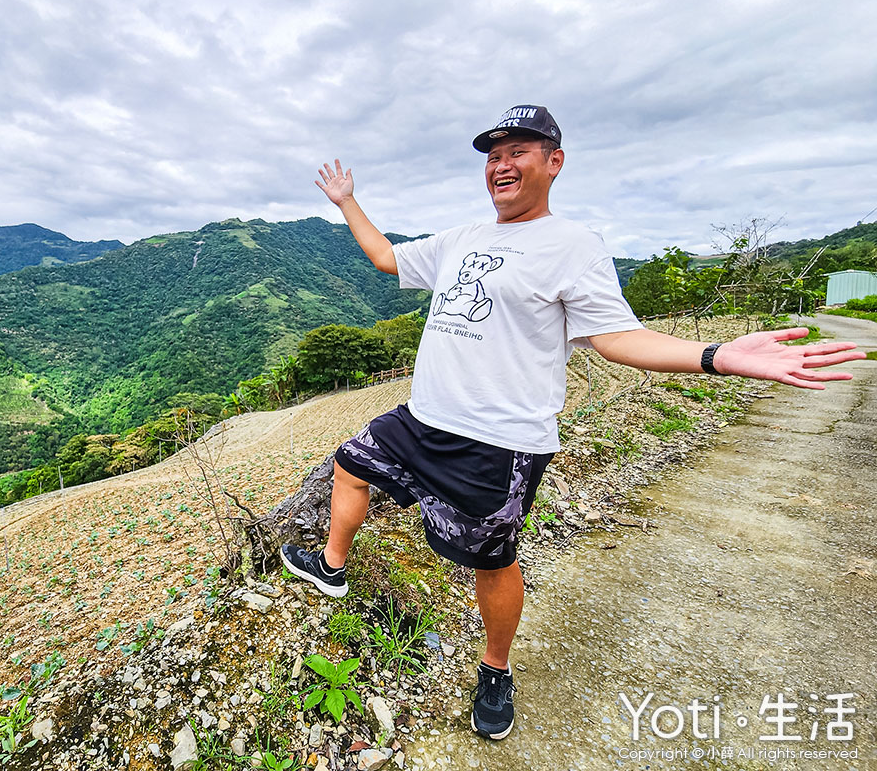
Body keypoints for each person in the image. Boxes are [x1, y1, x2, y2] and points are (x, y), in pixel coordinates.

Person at [280, 104, 865, 741]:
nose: (501, 164)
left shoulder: (574, 247)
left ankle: (495, 668)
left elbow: (618, 337)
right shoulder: (461, 239)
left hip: (497, 444)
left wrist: (716, 355)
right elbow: (388, 260)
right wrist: (347, 203)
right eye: (493, 155)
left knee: (491, 562)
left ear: (553, 162)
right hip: (422, 418)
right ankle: (333, 567)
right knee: (350, 464)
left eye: (518, 151)